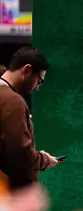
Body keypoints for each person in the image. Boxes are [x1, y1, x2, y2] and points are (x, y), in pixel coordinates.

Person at [0, 47, 58, 190]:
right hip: (12, 195)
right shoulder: (12, 101)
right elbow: (20, 152)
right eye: (38, 81)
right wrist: (44, 160)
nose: (37, 88)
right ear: (27, 70)